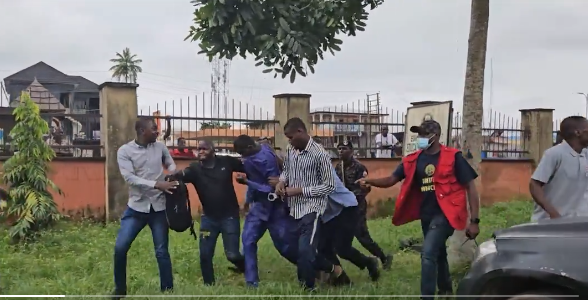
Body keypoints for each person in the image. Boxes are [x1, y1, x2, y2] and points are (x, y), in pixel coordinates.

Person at [358, 119, 480, 300]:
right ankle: (446, 291)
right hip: (426, 214)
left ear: (435, 136)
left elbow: (470, 186)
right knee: (438, 253)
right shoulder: (413, 159)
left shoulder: (453, 157)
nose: (420, 138)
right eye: (419, 134)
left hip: (446, 214)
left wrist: (474, 221)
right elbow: (392, 179)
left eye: (424, 135)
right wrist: (370, 181)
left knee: (428, 253)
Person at [113, 117, 178, 299]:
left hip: (159, 208)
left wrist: (172, 171)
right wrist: (157, 184)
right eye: (154, 128)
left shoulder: (160, 147)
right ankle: (120, 290)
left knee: (161, 251)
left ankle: (167, 290)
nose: (157, 131)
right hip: (136, 209)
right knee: (120, 248)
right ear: (142, 131)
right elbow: (130, 178)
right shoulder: (125, 151)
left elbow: (169, 162)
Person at [170, 140, 245, 285]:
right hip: (208, 219)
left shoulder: (226, 162)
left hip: (230, 217)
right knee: (205, 255)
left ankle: (245, 267)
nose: (201, 151)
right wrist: (172, 177)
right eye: (199, 149)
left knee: (232, 254)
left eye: (204, 148)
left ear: (213, 150)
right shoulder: (195, 169)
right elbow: (181, 175)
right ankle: (209, 284)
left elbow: (247, 166)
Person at [275, 117, 337, 291]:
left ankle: (307, 288)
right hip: (294, 208)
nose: (289, 141)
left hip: (312, 208)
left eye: (291, 137)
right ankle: (332, 270)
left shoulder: (320, 154)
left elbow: (329, 186)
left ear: (300, 132)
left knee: (305, 250)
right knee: (294, 249)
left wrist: (300, 190)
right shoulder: (291, 149)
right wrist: (281, 182)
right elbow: (287, 169)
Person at [233, 135, 298, 288]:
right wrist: (248, 201)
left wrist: (246, 182)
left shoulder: (266, 159)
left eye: (243, 152)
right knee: (248, 240)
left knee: (285, 247)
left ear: (249, 148)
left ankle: (317, 268)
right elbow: (253, 179)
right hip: (259, 208)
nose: (242, 157)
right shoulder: (252, 155)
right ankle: (251, 282)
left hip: (276, 208)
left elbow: (272, 189)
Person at [335, 140, 393, 270]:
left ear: (351, 151)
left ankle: (384, 258)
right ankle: (362, 261)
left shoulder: (359, 168)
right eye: (339, 149)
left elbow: (365, 189)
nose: (341, 151)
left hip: (357, 207)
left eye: (344, 148)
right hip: (343, 208)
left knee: (362, 236)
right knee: (341, 240)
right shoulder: (338, 167)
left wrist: (350, 198)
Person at [319, 167, 380, 285]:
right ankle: (341, 279)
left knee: (342, 249)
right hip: (329, 214)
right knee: (323, 247)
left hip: (345, 208)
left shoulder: (319, 165)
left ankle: (369, 263)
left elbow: (316, 191)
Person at [529, 116, 588, 221]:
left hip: (579, 222)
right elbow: (534, 185)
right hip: (551, 224)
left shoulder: (585, 154)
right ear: (578, 132)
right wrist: (553, 214)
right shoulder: (555, 154)